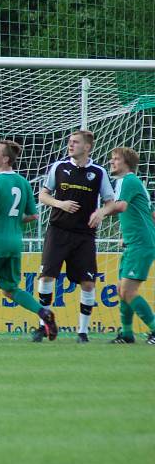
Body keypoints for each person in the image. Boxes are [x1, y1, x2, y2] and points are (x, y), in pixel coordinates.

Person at [0, 140, 58, 342]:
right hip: (15, 242)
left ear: (5, 159)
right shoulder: (23, 182)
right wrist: (12, 221)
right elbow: (33, 216)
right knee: (9, 288)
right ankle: (43, 313)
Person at [32, 130, 114, 343]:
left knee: (87, 283)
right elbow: (43, 194)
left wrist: (101, 212)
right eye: (69, 142)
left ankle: (83, 332)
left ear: (87, 147)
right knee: (47, 277)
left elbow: (110, 202)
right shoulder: (59, 167)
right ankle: (44, 326)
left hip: (84, 235)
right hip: (58, 231)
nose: (70, 145)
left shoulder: (98, 172)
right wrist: (60, 204)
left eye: (75, 142)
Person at [88, 147, 155, 344]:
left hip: (140, 244)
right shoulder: (126, 182)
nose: (111, 162)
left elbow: (121, 206)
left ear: (126, 163)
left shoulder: (128, 180)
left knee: (128, 291)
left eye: (115, 159)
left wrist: (101, 212)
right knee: (121, 290)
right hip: (135, 242)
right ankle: (126, 333)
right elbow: (149, 214)